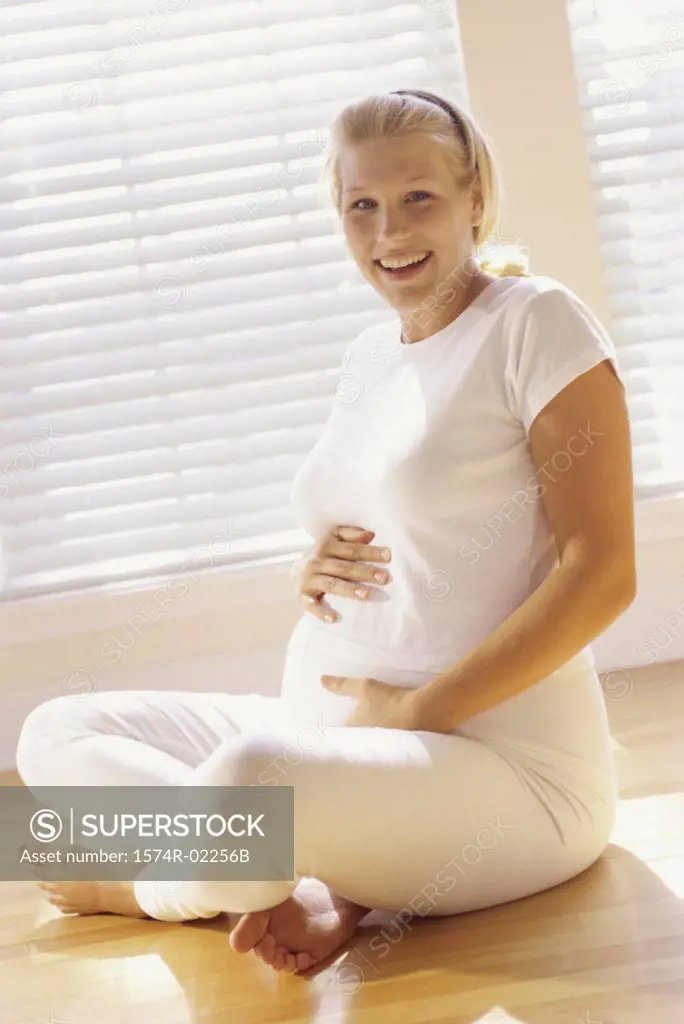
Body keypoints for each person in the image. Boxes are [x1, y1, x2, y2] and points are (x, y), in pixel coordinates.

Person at [15, 89, 636, 976]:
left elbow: (604, 572)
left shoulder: (537, 322)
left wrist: (414, 716)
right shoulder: (371, 355)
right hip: (345, 739)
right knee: (57, 728)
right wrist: (312, 569)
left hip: (505, 769)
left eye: (418, 196)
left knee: (247, 779)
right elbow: (403, 523)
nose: (390, 230)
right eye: (362, 205)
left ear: (476, 201)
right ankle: (277, 868)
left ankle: (148, 887)